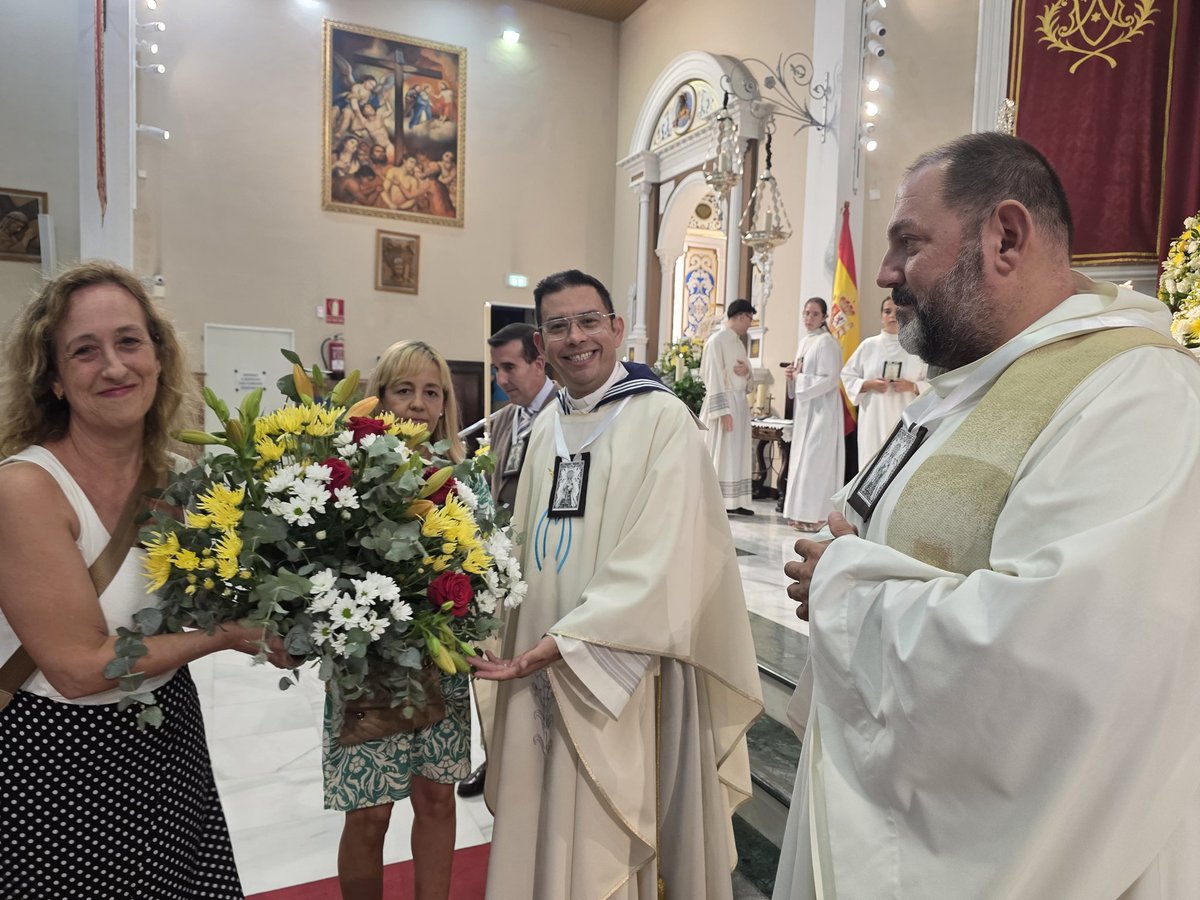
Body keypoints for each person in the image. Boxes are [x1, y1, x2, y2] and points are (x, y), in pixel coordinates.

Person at [773, 133, 1200, 899]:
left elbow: (1063, 656)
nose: (884, 274)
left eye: (909, 243)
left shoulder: (1136, 394)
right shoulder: (964, 385)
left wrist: (841, 581)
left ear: (1006, 235)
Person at [473, 269, 763, 899]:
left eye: (587, 321)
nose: (575, 337)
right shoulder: (546, 426)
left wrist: (577, 638)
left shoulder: (662, 419)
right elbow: (522, 541)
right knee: (546, 812)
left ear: (616, 329)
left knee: (615, 825)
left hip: (624, 664)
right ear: (542, 343)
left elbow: (670, 549)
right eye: (557, 326)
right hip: (539, 657)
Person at [0, 261, 279, 898]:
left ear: (158, 354)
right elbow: (78, 668)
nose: (115, 366)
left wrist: (290, 615)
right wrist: (229, 634)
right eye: (85, 351)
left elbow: (210, 601)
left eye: (129, 341)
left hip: (164, 735)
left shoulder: (178, 477)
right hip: (53, 756)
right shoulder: (24, 489)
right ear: (56, 380)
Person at [329, 340, 491, 900]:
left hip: (439, 663)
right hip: (366, 665)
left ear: (445, 404)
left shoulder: (466, 482)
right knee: (369, 813)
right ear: (379, 397)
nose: (419, 404)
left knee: (436, 797)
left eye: (432, 392)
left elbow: (490, 569)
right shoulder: (344, 477)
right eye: (405, 389)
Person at [456, 323, 554, 800]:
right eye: (496, 369)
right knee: (494, 660)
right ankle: (494, 757)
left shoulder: (566, 415)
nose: (501, 379)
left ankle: (534, 757)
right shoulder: (501, 421)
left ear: (540, 361)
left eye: (509, 367)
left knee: (533, 664)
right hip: (500, 568)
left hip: (544, 565)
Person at [839, 296, 929, 470]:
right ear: (881, 316)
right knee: (870, 468)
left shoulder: (916, 348)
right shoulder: (868, 346)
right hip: (873, 418)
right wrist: (869, 384)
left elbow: (932, 383)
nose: (892, 316)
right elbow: (847, 375)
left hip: (905, 420)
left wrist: (912, 386)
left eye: (897, 312)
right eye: (887, 312)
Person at [780, 298, 844, 531]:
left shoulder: (827, 342)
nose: (809, 318)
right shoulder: (805, 342)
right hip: (807, 410)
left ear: (824, 317)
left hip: (822, 412)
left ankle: (818, 516)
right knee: (802, 462)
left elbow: (830, 379)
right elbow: (800, 375)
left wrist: (799, 378)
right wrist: (792, 376)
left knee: (816, 463)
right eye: (806, 313)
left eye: (814, 314)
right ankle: (800, 514)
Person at [699, 298, 756, 515]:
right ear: (741, 316)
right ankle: (719, 501)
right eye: (749, 319)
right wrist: (723, 412)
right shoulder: (717, 341)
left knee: (738, 452)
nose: (750, 324)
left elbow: (745, 373)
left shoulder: (738, 342)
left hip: (739, 403)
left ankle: (737, 501)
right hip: (724, 404)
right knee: (723, 453)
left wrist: (747, 373)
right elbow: (712, 376)